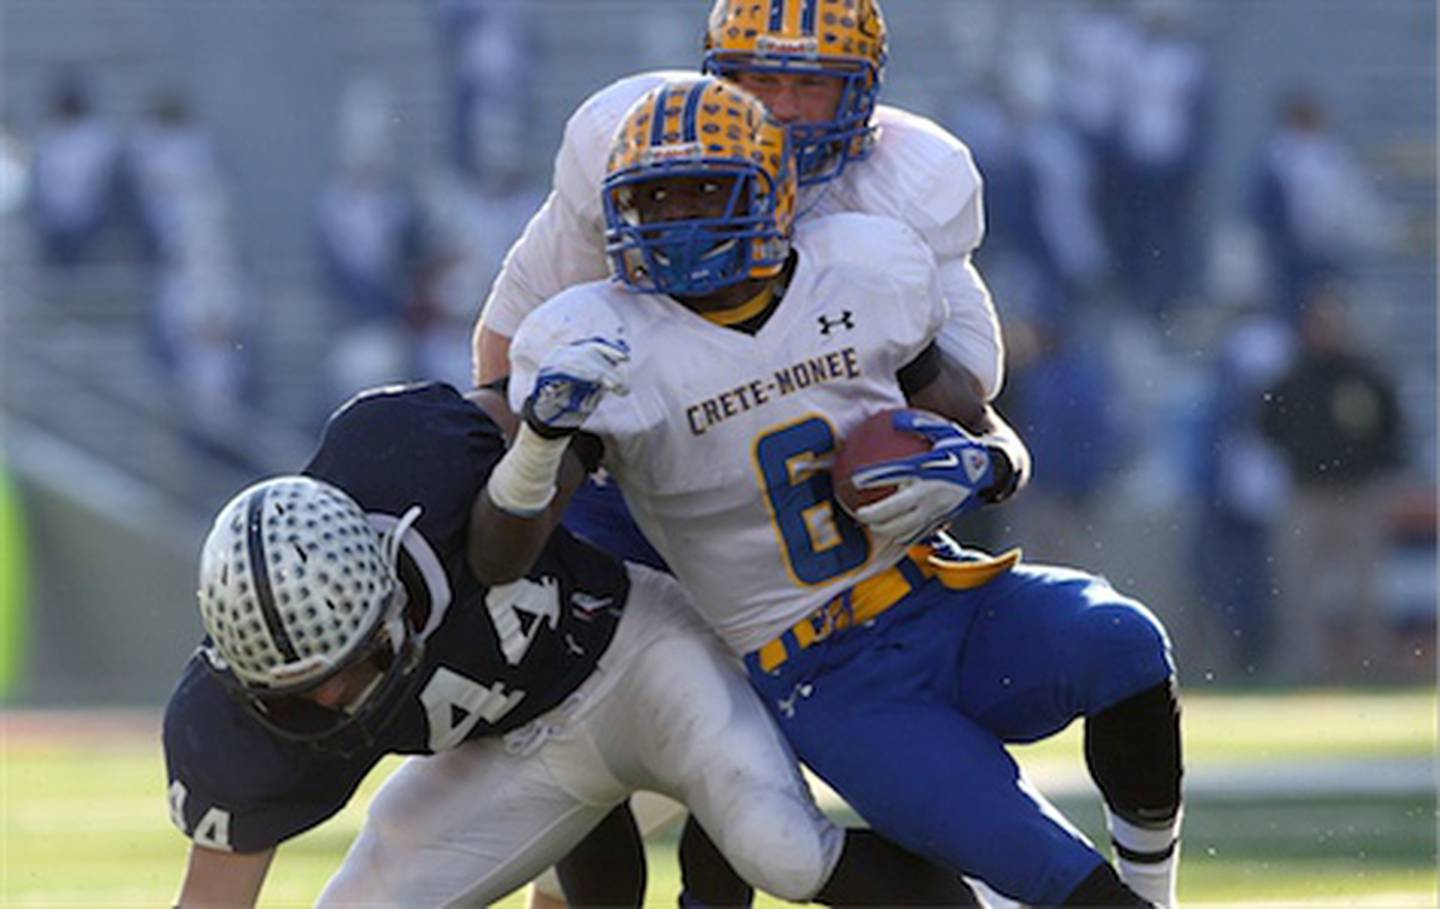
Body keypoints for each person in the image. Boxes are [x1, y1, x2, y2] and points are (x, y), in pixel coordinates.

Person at [508, 75, 1183, 908]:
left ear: (774, 191)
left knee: (1123, 640)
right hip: (829, 674)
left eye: (707, 190)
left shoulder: (860, 269)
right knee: (1054, 878)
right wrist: (538, 441)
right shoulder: (602, 342)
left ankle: (1159, 892)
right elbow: (517, 534)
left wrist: (986, 469)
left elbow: (983, 426)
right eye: (657, 197)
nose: (683, 218)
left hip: (942, 594)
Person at [474, 2, 1006, 902]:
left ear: (864, 93)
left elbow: (964, 378)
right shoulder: (625, 141)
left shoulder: (912, 181)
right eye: (758, 78)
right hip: (642, 471)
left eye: (812, 82)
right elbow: (505, 351)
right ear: (709, 76)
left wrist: (939, 460)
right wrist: (536, 461)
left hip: (787, 503)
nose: (786, 108)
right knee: (573, 710)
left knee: (754, 737)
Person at [163, 381, 977, 907]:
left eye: (348, 667)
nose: (330, 700)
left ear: (385, 596)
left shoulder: (412, 457)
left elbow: (568, 424)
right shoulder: (242, 716)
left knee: (783, 850)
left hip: (637, 658)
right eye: (290, 691)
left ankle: (1001, 896)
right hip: (516, 746)